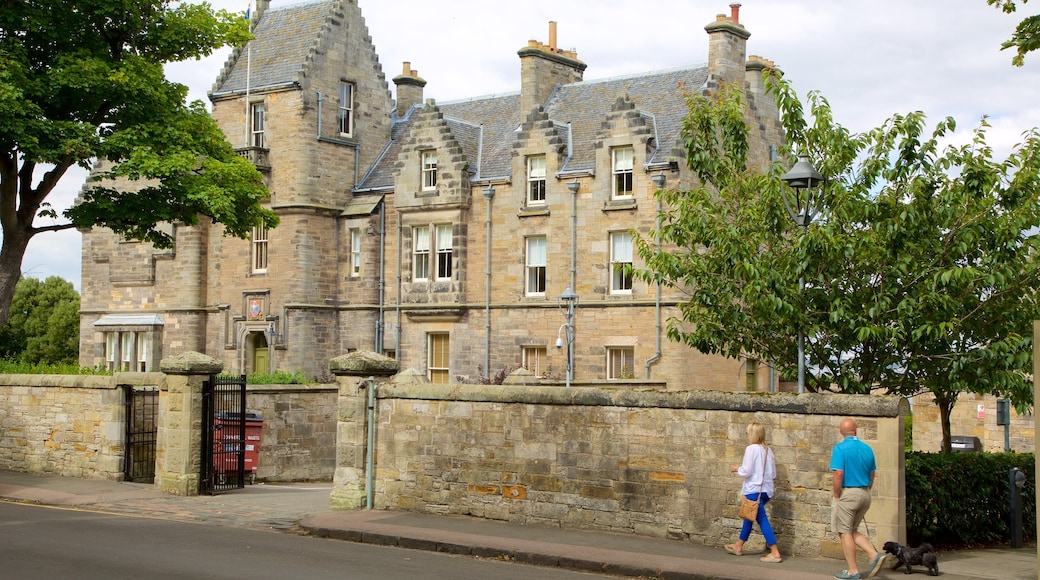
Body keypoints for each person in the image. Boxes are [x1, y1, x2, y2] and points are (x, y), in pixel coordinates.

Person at [830, 417, 885, 580]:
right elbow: (872, 473)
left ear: (841, 432)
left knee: (844, 531)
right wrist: (867, 489)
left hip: (849, 494)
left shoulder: (840, 448)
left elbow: (838, 473)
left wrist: (836, 494)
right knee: (852, 530)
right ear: (856, 430)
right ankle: (873, 555)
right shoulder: (867, 448)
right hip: (865, 493)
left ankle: (853, 570)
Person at [725, 421, 783, 563]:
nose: (746, 435)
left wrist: (737, 469)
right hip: (766, 490)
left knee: (761, 519)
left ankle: (775, 552)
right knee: (749, 516)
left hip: (753, 490)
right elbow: (773, 474)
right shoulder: (769, 451)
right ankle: (738, 546)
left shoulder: (751, 449)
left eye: (747, 433)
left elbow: (747, 471)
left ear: (752, 434)